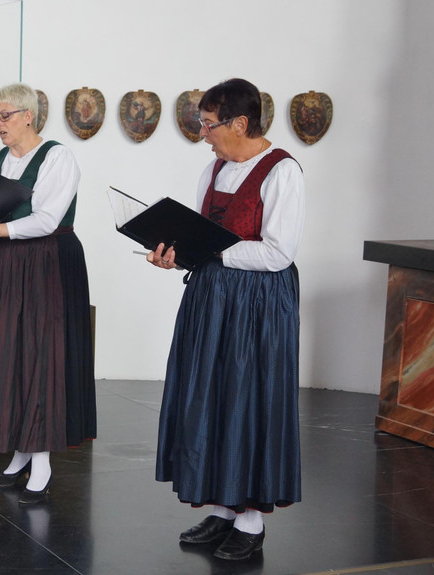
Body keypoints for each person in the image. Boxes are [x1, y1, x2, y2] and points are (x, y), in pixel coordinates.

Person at [147, 78, 305, 561]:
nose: (203, 134)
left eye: (208, 124)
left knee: (248, 398)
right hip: (212, 297)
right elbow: (202, 236)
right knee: (210, 396)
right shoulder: (213, 169)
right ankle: (221, 509)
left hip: (259, 303)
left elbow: (278, 253)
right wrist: (176, 255)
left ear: (240, 123)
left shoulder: (282, 171)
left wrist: (213, 251)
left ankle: (250, 521)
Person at [0, 82, 96, 505]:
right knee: (4, 353)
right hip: (3, 262)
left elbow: (47, 219)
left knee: (40, 355)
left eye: (5, 116)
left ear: (28, 116)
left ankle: (42, 459)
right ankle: (20, 449)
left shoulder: (57, 157)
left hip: (46, 262)